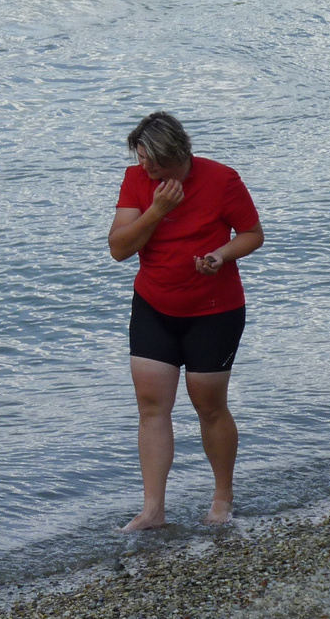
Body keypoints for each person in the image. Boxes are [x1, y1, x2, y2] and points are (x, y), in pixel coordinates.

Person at [108, 111, 264, 531]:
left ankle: (221, 499)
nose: (145, 168)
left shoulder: (222, 179)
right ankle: (153, 510)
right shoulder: (137, 181)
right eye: (140, 159)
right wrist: (157, 209)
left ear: (178, 155)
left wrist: (220, 255)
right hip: (154, 306)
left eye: (153, 163)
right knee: (152, 407)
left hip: (214, 310)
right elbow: (119, 249)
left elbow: (252, 233)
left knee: (208, 406)